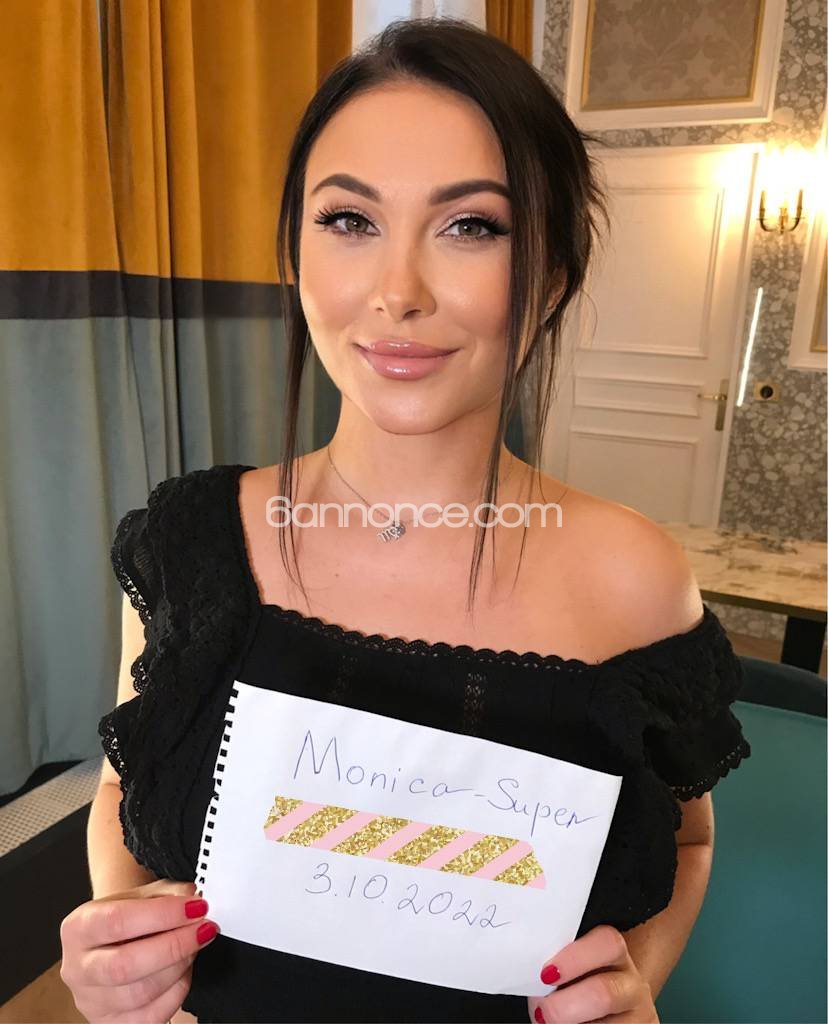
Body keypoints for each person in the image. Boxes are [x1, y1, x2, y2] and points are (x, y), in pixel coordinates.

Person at [61, 17, 750, 1024]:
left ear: (553, 275)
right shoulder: (191, 544)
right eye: (349, 220)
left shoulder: (632, 579)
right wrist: (121, 946)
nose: (397, 293)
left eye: (472, 226)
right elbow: (124, 789)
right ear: (294, 253)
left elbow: (688, 838)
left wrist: (637, 979)